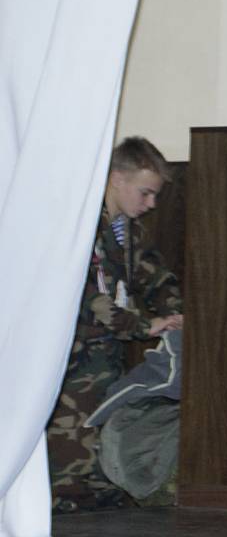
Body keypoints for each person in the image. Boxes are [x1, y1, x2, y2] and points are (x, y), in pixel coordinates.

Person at [45, 136, 183, 514]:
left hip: (105, 354)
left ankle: (93, 495)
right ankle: (64, 501)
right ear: (117, 179)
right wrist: (144, 325)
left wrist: (177, 315)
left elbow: (156, 278)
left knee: (98, 431)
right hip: (74, 353)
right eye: (145, 193)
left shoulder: (127, 232)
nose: (151, 204)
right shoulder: (78, 225)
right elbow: (86, 295)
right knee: (69, 436)